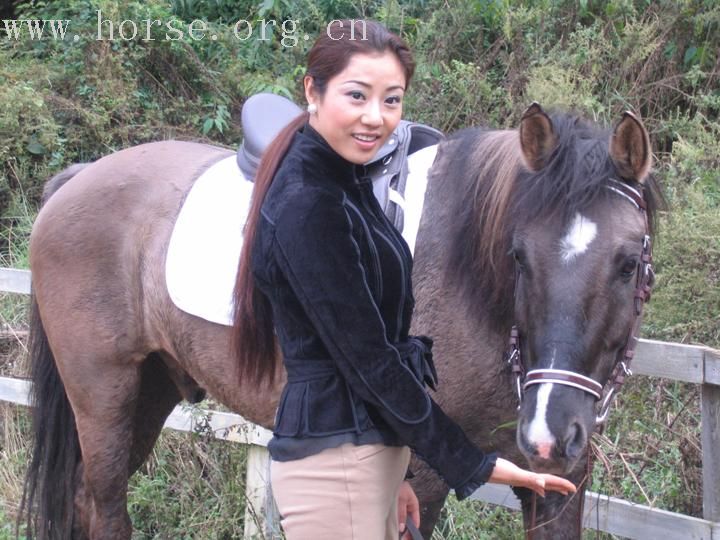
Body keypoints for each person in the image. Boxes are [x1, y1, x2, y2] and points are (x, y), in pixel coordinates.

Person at [232, 19, 576, 540]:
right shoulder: (310, 204)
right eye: (357, 95)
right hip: (334, 468)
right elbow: (368, 359)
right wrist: (473, 465)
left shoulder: (345, 184)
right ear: (312, 90)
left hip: (361, 463)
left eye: (392, 100)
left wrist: (396, 474)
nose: (376, 118)